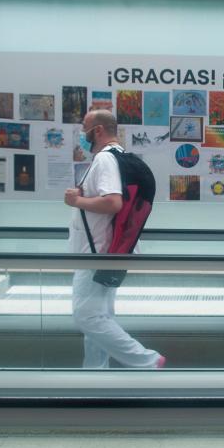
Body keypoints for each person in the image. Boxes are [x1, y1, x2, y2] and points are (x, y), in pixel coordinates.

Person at [64, 109, 164, 369]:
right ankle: (96, 373)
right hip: (105, 250)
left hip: (96, 252)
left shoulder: (105, 159)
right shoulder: (117, 157)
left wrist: (76, 201)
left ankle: (148, 360)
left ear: (97, 130)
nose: (81, 134)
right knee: (100, 315)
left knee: (86, 316)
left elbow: (113, 202)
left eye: (84, 127)